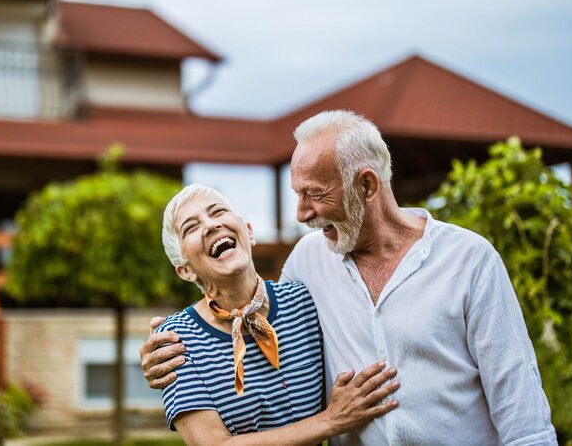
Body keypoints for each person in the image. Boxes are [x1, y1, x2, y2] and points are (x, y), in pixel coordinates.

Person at [142, 110, 558, 445]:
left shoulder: (469, 260)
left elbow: (523, 416)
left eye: (315, 194)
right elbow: (250, 311)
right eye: (297, 194)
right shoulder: (308, 262)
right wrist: (157, 358)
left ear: (366, 186)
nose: (302, 213)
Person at [151, 183, 399, 445]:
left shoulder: (305, 302)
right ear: (185, 270)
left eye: (218, 212)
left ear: (249, 232)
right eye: (191, 227)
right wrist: (331, 420)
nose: (210, 225)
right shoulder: (175, 340)